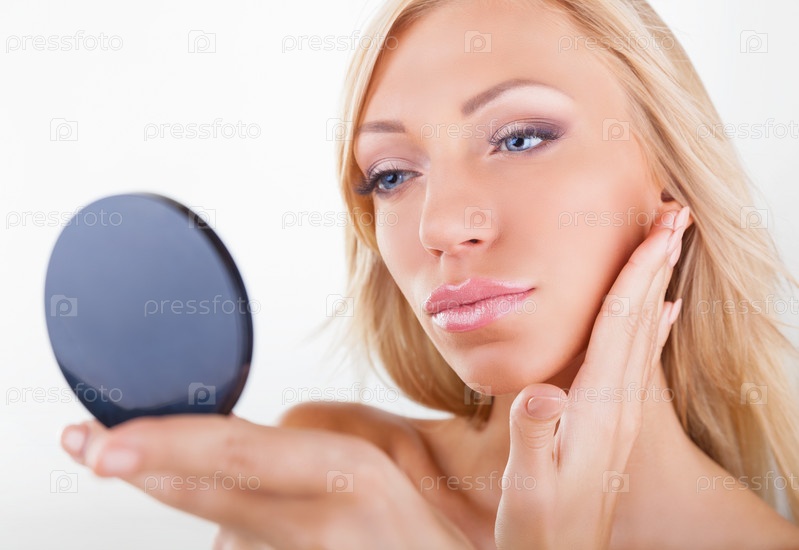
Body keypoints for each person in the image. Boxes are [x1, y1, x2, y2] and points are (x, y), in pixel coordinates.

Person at [60, 0, 799, 547]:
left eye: (520, 138)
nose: (439, 226)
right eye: (390, 176)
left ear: (668, 175)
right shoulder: (336, 484)